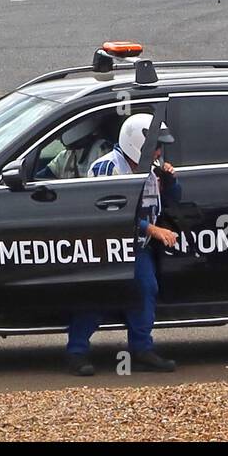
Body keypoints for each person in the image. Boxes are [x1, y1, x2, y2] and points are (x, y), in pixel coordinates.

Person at [65, 114, 181, 377]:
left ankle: (141, 349)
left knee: (146, 290)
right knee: (97, 295)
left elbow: (170, 201)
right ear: (137, 144)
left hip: (137, 247)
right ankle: (76, 352)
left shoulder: (152, 170)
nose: (160, 151)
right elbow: (111, 212)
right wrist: (151, 229)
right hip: (106, 246)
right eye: (156, 145)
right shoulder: (108, 167)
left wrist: (171, 181)